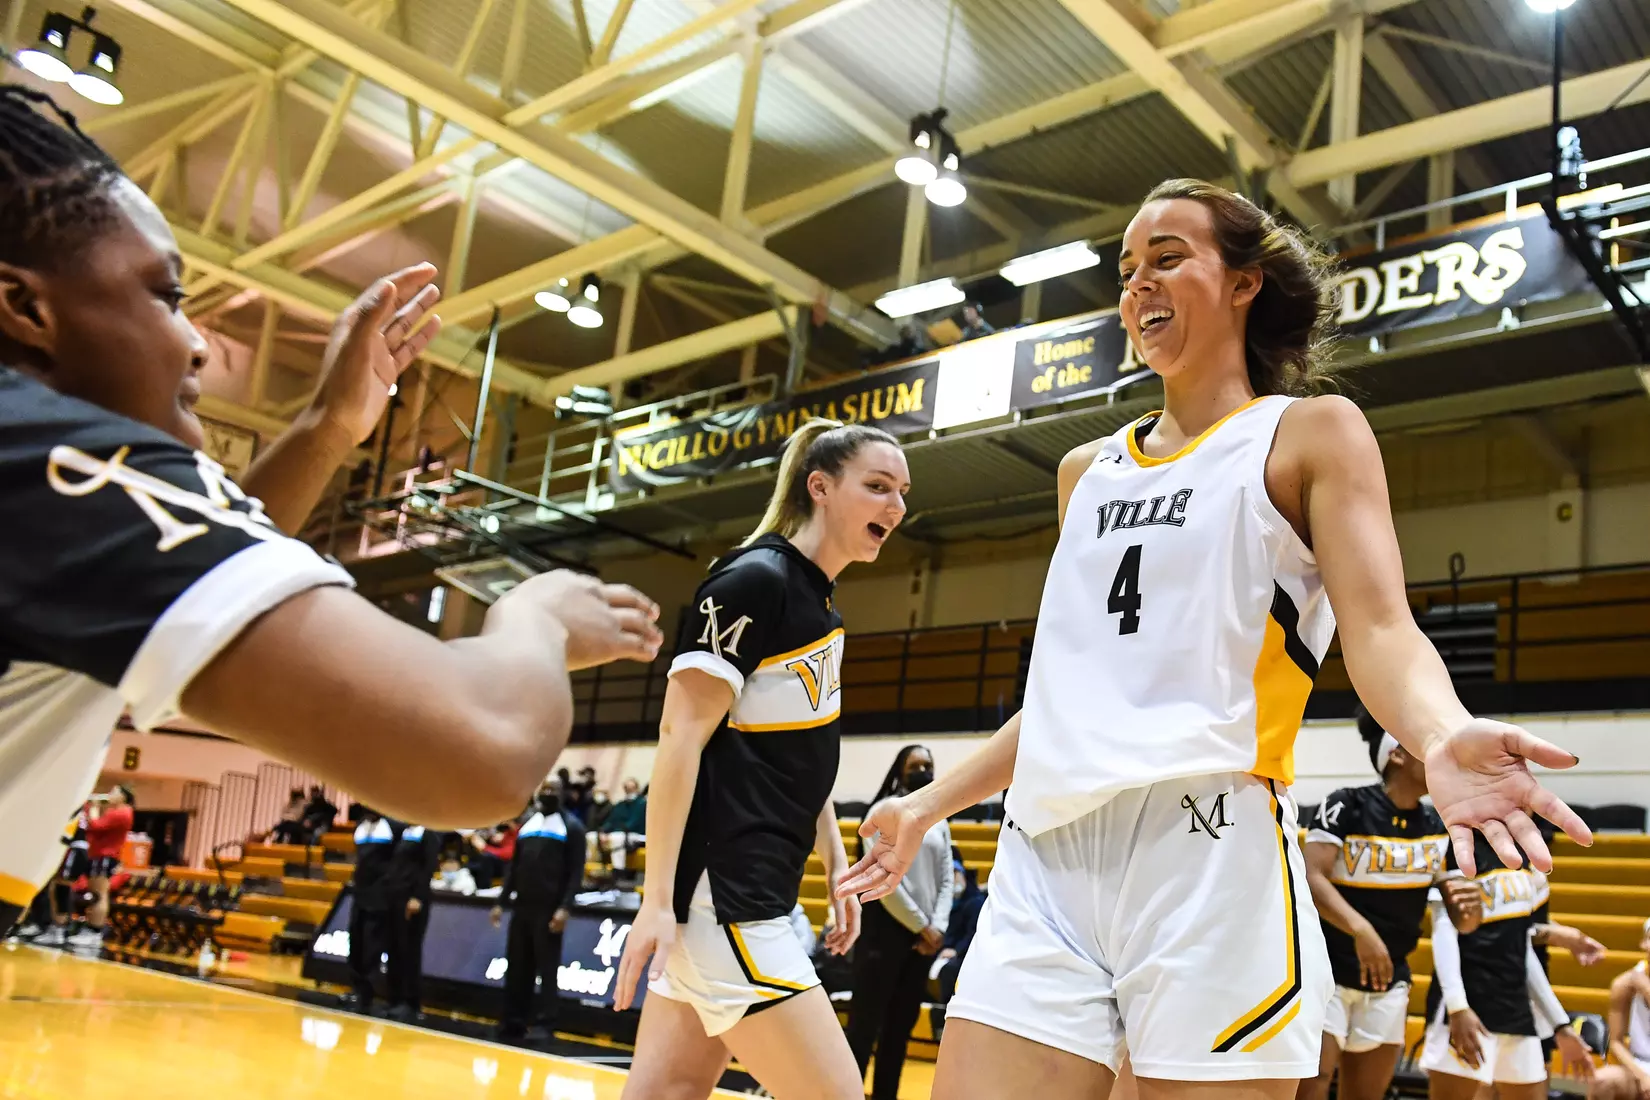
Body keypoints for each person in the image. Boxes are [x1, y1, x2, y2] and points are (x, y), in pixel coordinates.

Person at [836, 178, 1592, 1100]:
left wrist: (1437, 733)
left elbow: (1382, 628)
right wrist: (928, 806)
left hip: (1208, 853)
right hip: (1046, 856)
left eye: (1167, 259)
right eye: (1125, 272)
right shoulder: (1086, 472)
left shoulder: (1308, 433)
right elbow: (1069, 702)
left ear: (1245, 282)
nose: (1137, 288)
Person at [0, 85, 663, 936]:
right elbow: (481, 750)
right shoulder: (61, 466)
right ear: (23, 306)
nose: (198, 340)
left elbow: (167, 568)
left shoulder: (46, 503)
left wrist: (324, 430)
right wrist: (535, 618)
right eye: (166, 296)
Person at [612, 418, 911, 1100]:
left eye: (901, 492)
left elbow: (795, 755)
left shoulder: (820, 605)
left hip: (742, 901)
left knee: (669, 1090)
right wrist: (656, 900)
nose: (894, 506)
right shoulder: (753, 580)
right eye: (876, 486)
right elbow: (678, 736)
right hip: (728, 903)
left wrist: (835, 858)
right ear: (821, 487)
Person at [1299, 714, 1484, 1100]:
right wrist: (1361, 929)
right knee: (1311, 1085)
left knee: (1367, 1093)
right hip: (1328, 971)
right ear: (1397, 754)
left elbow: (1465, 923)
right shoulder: (1346, 804)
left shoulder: (1438, 823)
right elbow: (1310, 876)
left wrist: (1471, 908)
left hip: (1389, 980)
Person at [1419, 832, 1593, 1100]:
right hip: (1468, 1007)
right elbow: (1444, 932)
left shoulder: (1522, 856)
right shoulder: (1457, 846)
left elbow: (1521, 947)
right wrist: (1457, 1007)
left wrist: (1560, 1024)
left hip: (1516, 1009)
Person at [847, 745, 954, 1100]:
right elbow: (882, 877)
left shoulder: (940, 818)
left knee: (897, 1035)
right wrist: (923, 925)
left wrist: (936, 928)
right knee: (863, 1032)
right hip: (882, 940)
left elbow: (947, 878)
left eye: (928, 765)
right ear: (899, 770)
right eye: (915, 765)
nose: (922, 770)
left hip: (923, 946)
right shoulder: (883, 811)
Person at [490, 780, 587, 1041]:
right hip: (522, 907)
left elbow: (576, 872)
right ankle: (513, 1020)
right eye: (543, 789)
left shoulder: (572, 828)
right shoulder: (527, 825)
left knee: (546, 968)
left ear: (562, 794)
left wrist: (565, 908)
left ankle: (545, 1024)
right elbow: (514, 868)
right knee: (517, 966)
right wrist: (501, 901)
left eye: (553, 790)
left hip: (549, 909)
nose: (547, 794)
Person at [383, 820, 442, 1021]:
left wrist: (417, 896)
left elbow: (428, 866)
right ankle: (394, 998)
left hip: (412, 900)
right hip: (395, 897)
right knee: (394, 949)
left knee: (409, 951)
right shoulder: (404, 832)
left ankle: (411, 1002)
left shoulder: (428, 832)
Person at [1592, 919, 1650, 1100]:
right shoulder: (1623, 984)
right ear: (1643, 943)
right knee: (1602, 1081)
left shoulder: (1639, 982)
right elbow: (1616, 1043)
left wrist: (1647, 990)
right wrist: (1641, 1075)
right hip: (1641, 1063)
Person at [345, 808, 396, 1012]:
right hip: (360, 893)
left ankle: (368, 994)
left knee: (371, 946)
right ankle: (356, 987)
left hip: (379, 896)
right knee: (355, 943)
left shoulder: (391, 827)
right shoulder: (361, 827)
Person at [75, 785, 134, 947]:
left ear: (123, 796)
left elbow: (96, 825)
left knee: (99, 893)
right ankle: (91, 927)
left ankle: (95, 931)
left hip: (106, 856)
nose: (109, 794)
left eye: (114, 792)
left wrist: (93, 808)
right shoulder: (113, 811)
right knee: (95, 893)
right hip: (98, 854)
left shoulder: (123, 812)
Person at [935, 858, 985, 1004]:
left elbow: (974, 934)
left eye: (955, 873)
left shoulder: (976, 901)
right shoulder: (943, 902)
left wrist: (956, 951)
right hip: (943, 951)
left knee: (950, 971)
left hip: (966, 954)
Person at [600, 778, 647, 871]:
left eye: (631, 788)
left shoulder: (642, 804)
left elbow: (633, 823)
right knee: (591, 837)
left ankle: (618, 871)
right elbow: (611, 821)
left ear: (637, 789)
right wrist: (602, 832)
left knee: (617, 838)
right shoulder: (620, 805)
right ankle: (595, 869)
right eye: (627, 788)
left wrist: (610, 834)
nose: (629, 791)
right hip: (619, 833)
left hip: (638, 834)